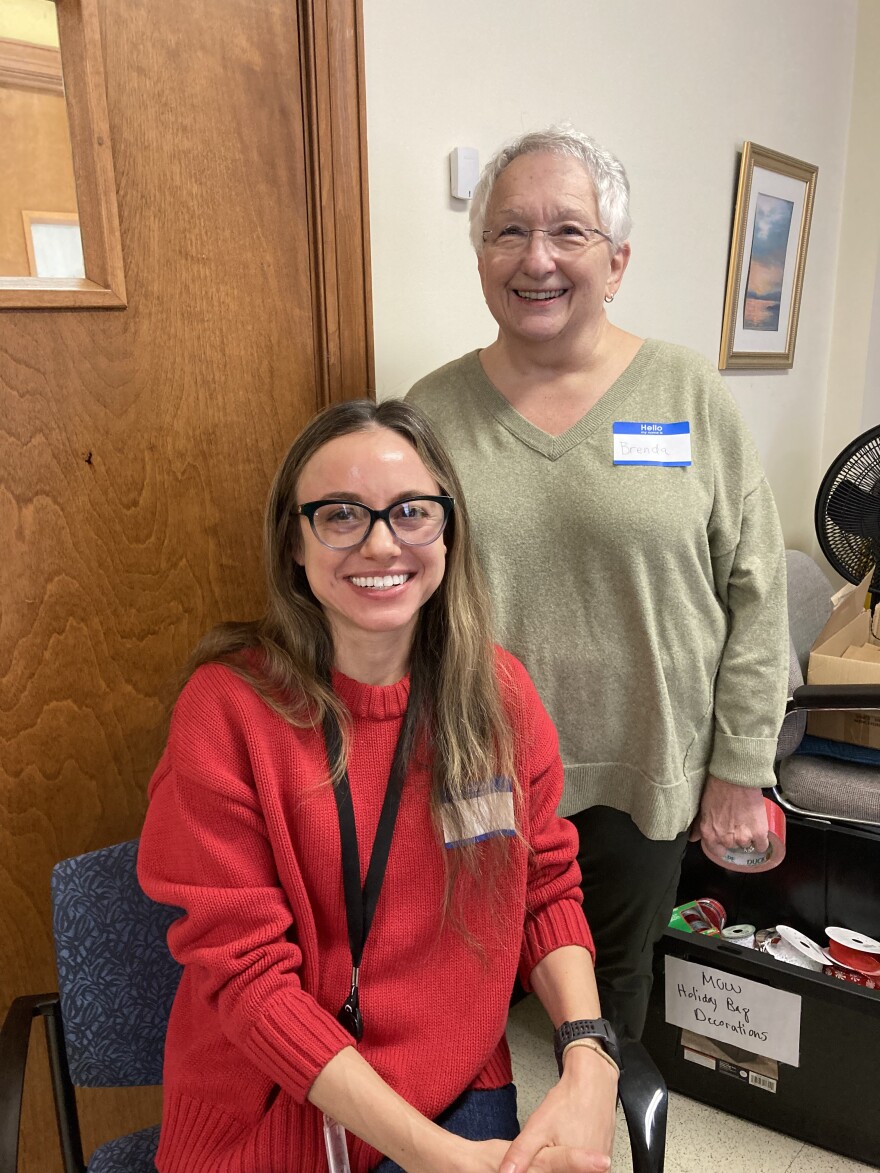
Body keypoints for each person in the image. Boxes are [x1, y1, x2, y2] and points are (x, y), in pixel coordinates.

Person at [137, 398, 619, 1173]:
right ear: (294, 540)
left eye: (411, 512)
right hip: (275, 1108)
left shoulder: (498, 697)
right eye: (340, 515)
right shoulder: (227, 710)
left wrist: (590, 1054)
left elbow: (543, 889)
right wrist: (440, 1159)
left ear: (447, 531)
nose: (381, 542)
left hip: (455, 1085)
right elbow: (248, 980)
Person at [407, 126, 789, 1042]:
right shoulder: (430, 413)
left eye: (568, 232)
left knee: (611, 1003)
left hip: (645, 766)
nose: (537, 258)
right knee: (469, 990)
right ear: (480, 255)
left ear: (616, 261)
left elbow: (758, 592)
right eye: (508, 232)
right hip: (482, 768)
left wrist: (742, 766)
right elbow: (397, 596)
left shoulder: (689, 393)